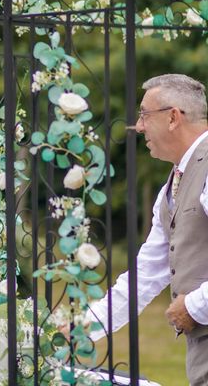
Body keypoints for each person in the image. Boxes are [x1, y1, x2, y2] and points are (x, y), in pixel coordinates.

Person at [88, 74, 208, 385]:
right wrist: (81, 329)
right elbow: (145, 276)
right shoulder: (173, 184)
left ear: (172, 117)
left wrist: (195, 305)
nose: (138, 127)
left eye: (144, 114)